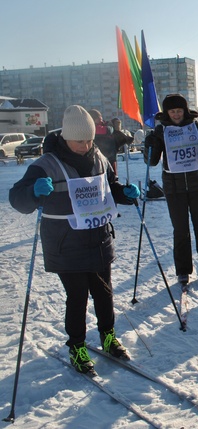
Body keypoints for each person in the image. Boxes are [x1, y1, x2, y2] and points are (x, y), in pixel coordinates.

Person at [9, 105, 140, 374]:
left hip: (99, 238)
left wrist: (125, 193)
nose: (86, 145)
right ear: (66, 137)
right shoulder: (46, 164)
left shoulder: (99, 158)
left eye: (89, 139)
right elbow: (17, 199)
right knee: (77, 296)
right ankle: (77, 346)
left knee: (104, 293)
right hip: (65, 243)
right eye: (79, 140)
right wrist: (33, 192)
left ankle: (108, 336)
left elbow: (110, 188)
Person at [144, 94, 198, 284]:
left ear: (185, 111)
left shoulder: (195, 126)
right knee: (180, 229)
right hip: (173, 186)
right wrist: (150, 145)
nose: (176, 115)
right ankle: (183, 269)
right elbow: (151, 161)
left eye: (179, 111)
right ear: (167, 113)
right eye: (172, 111)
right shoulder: (161, 131)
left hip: (197, 183)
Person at [88, 109, 128, 177]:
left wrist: (114, 121)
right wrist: (111, 127)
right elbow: (107, 130)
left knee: (113, 177)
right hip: (99, 158)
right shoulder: (92, 128)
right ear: (93, 120)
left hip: (111, 156)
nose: (101, 121)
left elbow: (106, 125)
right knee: (103, 177)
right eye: (99, 119)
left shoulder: (103, 125)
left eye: (101, 118)